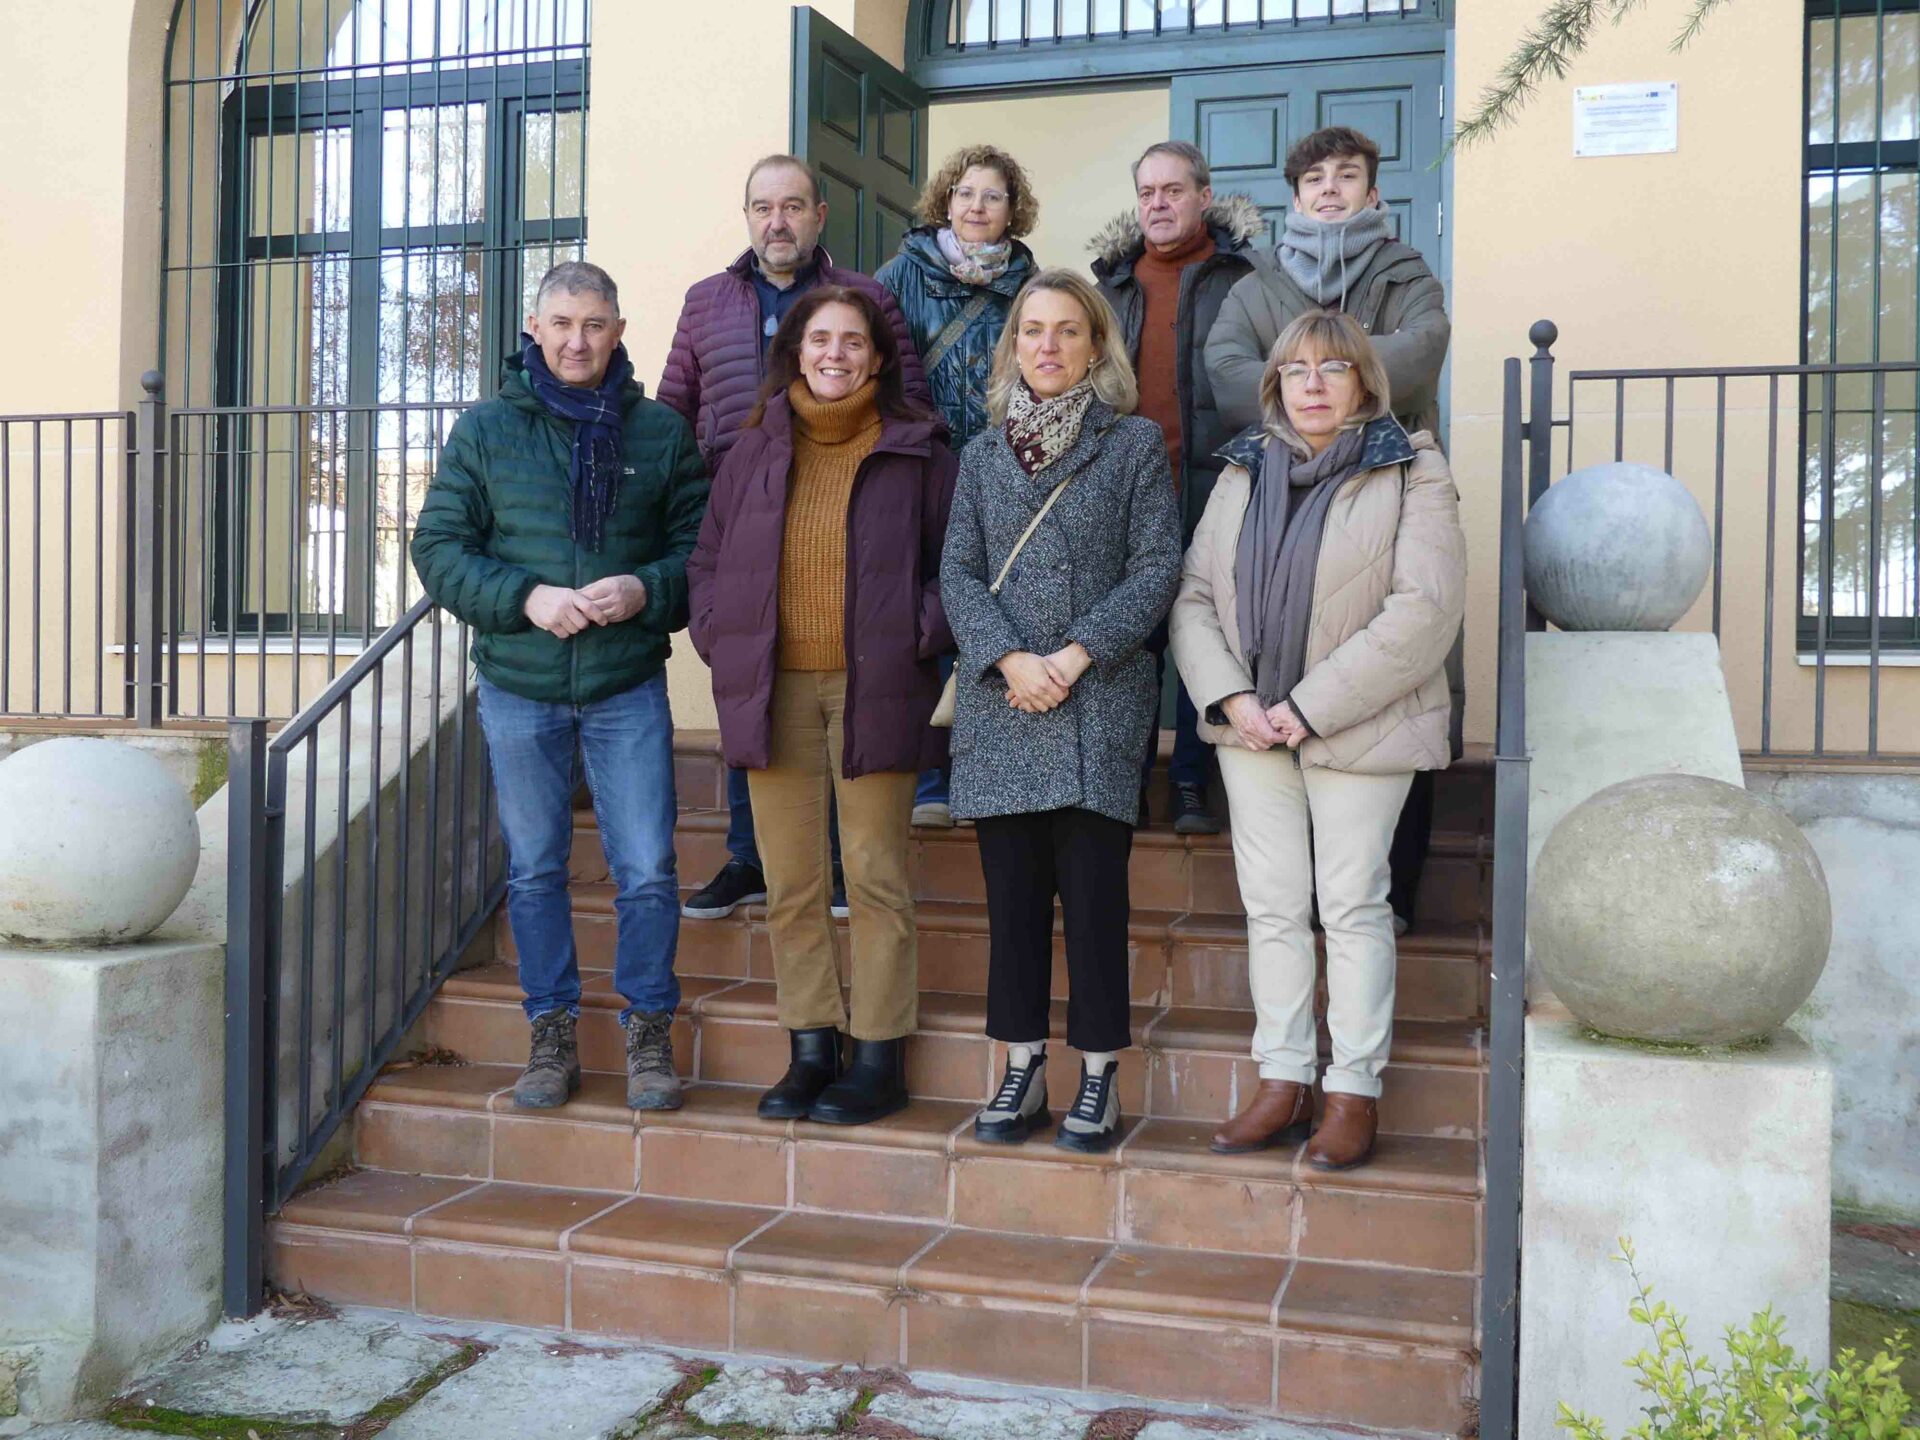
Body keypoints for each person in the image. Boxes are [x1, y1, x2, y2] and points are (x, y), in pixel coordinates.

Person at [1170, 310, 1466, 1170]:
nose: (1311, 386)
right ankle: (1283, 1077)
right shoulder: (1242, 471)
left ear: (1365, 384)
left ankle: (1353, 1090)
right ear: (1274, 386)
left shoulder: (1413, 471)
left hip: (1361, 727)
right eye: (1295, 371)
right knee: (1272, 906)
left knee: (1351, 904)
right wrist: (1231, 697)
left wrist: (1307, 706)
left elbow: (1425, 611)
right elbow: (1193, 596)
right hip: (1250, 730)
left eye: (1331, 370)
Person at [411, 261, 709, 1113]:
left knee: (647, 868)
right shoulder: (485, 431)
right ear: (533, 331)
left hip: (625, 685)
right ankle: (551, 1035)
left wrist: (647, 587)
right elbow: (438, 549)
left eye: (596, 325)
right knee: (536, 869)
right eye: (563, 324)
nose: (579, 341)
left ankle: (649, 1034)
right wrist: (525, 598)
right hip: (519, 685)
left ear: (619, 331)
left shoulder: (658, 433)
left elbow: (702, 549)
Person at [687, 287, 956, 1126]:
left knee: (874, 875)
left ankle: (878, 1055)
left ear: (879, 358)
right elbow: (707, 560)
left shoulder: (920, 451)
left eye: (852, 342)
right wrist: (725, 638)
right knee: (794, 882)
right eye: (819, 339)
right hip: (775, 694)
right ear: (796, 352)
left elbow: (964, 567)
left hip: (878, 686)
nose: (834, 354)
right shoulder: (754, 447)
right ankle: (811, 1045)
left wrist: (916, 631)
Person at [941, 269, 1181, 1154]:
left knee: (1092, 903)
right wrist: (1009, 658)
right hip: (1005, 704)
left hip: (1095, 703)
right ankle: (1022, 1067)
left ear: (1096, 346)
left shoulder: (1132, 446)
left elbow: (1157, 568)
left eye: (1067, 331)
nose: (1048, 346)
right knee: (1012, 908)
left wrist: (1074, 658)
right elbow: (958, 572)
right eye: (1032, 331)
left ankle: (1098, 1075)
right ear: (1012, 348)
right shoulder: (979, 455)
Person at [1203, 124, 1458, 934]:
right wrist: (1323, 382)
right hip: (1282, 490)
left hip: (1380, 491)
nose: (1331, 189)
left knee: (1387, 691)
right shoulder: (1258, 283)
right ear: (1295, 196)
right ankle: (1298, 898)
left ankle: (1396, 893)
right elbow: (1227, 370)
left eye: (1347, 176)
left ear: (1372, 192)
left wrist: (1323, 372)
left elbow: (1425, 350)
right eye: (1315, 179)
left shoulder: (1404, 272)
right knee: (1277, 659)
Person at [660, 154, 930, 919]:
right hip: (738, 524)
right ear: (748, 216)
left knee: (846, 693)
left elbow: (907, 400)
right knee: (754, 700)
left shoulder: (866, 298)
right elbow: (675, 411)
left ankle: (844, 864)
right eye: (761, 207)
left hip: (845, 515)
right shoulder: (707, 301)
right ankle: (750, 858)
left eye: (792, 206)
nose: (776, 221)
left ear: (819, 215)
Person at [1090, 140, 1260, 834]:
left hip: (1215, 482)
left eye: (1172, 190)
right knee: (1130, 638)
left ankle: (1191, 779)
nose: (1158, 204)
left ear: (1203, 197)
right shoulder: (1111, 287)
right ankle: (1126, 780)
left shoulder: (1244, 277)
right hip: (1128, 487)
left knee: (1204, 631)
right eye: (1147, 193)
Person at [876, 144, 1040, 829]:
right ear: (946, 201)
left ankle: (993, 768)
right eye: (966, 193)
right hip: (928, 469)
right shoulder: (896, 276)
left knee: (1002, 617)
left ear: (1013, 211)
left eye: (992, 196)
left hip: (1009, 471)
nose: (977, 206)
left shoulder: (1035, 285)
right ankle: (932, 776)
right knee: (935, 616)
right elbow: (880, 373)